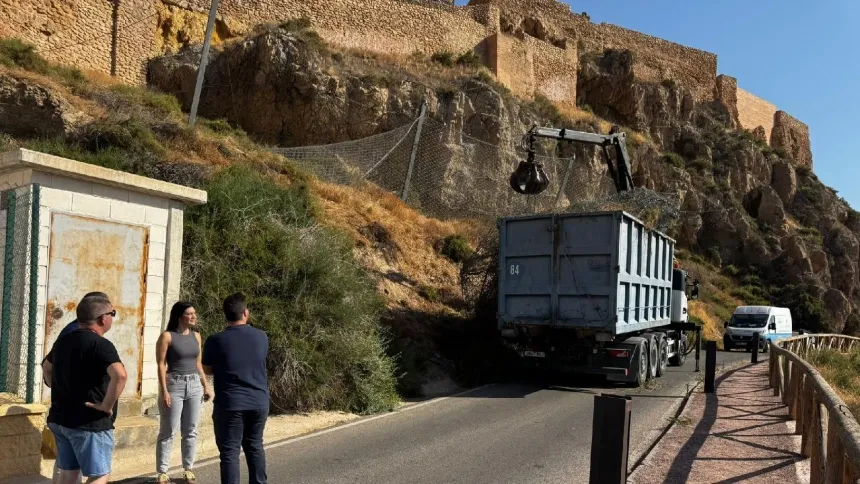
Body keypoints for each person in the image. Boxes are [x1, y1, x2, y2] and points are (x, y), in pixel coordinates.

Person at [42, 296, 128, 484]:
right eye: (112, 313)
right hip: (89, 423)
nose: (112, 317)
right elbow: (120, 375)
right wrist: (106, 405)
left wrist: (57, 389)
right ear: (102, 319)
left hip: (61, 419)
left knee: (69, 473)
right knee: (99, 475)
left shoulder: (63, 342)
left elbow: (46, 367)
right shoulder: (101, 344)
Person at [202, 293, 270, 484]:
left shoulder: (215, 340)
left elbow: (207, 369)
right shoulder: (261, 337)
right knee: (255, 446)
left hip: (230, 403)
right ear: (245, 312)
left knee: (230, 452)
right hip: (258, 401)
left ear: (226, 315)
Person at [154, 302, 214, 484]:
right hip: (175, 384)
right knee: (168, 430)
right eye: (190, 314)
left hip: (194, 385)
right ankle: (162, 471)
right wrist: (164, 390)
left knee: (191, 430)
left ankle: (188, 469)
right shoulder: (167, 336)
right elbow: (161, 365)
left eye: (194, 313)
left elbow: (198, 364)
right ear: (180, 316)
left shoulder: (196, 336)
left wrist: (206, 385)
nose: (194, 317)